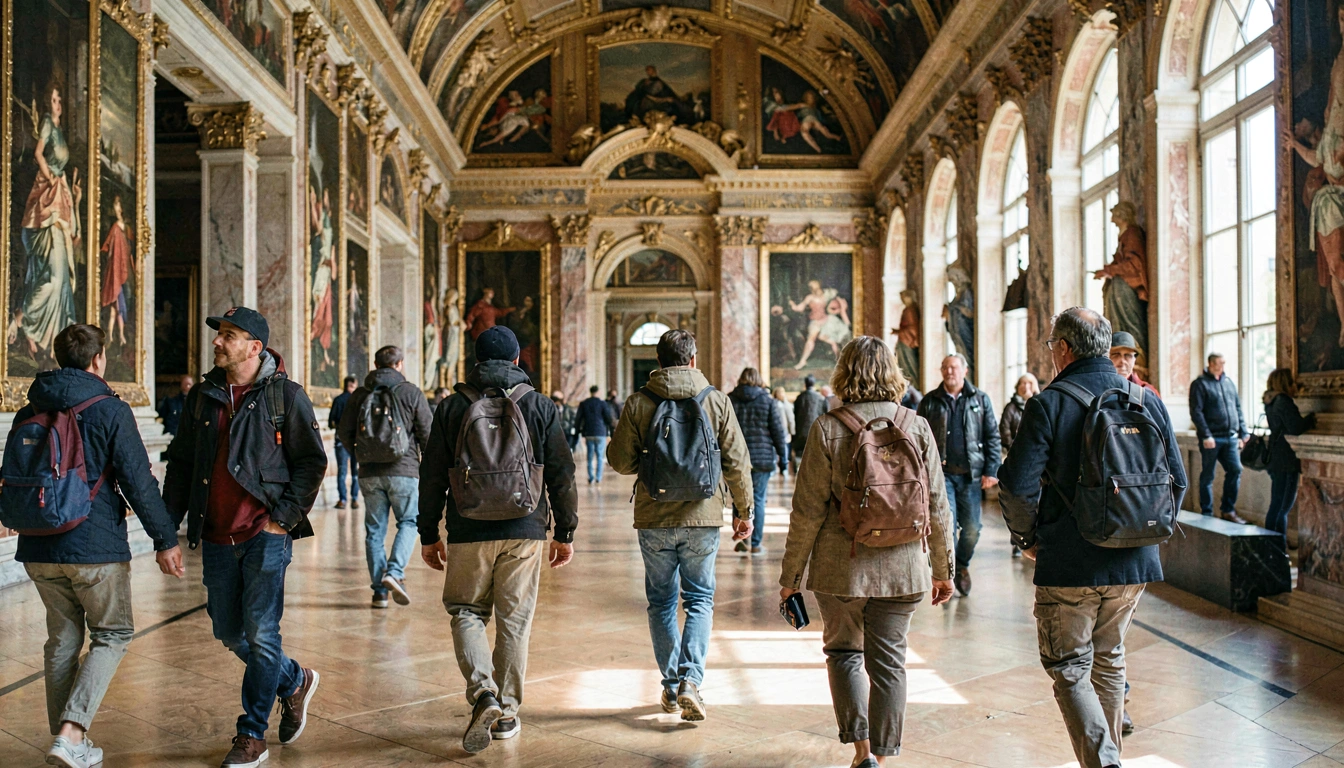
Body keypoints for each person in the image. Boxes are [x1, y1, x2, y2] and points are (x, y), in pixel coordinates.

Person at [999, 307, 1186, 768]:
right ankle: (1109, 758)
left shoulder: (1049, 403)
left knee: (1068, 666)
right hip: (1134, 562)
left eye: (1050, 346)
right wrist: (1141, 530)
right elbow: (1177, 482)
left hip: (1070, 559)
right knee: (1110, 658)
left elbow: (1016, 485)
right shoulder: (1145, 400)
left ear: (1063, 348)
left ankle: (1105, 764)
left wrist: (1027, 539)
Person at [162, 306, 328, 768]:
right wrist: (165, 534)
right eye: (219, 334)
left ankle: (251, 733)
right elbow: (180, 465)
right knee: (228, 630)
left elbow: (312, 463)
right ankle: (294, 679)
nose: (217, 342)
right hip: (216, 536)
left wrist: (283, 519)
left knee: (260, 632)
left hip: (265, 534)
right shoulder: (202, 397)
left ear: (254, 347)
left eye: (229, 335)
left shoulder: (285, 397)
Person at [779, 336, 954, 768]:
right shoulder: (916, 425)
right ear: (893, 372)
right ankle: (884, 752)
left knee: (843, 654)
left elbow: (806, 513)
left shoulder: (827, 428)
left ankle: (861, 754)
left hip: (842, 569)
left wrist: (790, 579)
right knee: (890, 662)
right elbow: (937, 506)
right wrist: (943, 568)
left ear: (844, 372)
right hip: (905, 567)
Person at [15, 324, 185, 768]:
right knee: (113, 633)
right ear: (98, 360)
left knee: (63, 638)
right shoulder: (110, 408)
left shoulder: (29, 406)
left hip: (37, 547)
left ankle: (66, 740)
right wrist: (165, 539)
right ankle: (72, 734)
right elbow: (139, 481)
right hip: (96, 546)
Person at [418, 325, 578, 753]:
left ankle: (482, 693)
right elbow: (562, 473)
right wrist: (565, 531)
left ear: (475, 361)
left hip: (468, 528)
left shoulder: (452, 407)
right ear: (516, 361)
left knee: (466, 611)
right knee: (514, 620)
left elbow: (431, 474)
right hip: (525, 529)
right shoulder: (540, 406)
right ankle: (506, 713)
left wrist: (428, 531)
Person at [607, 329, 754, 722]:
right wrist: (744, 511)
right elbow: (738, 461)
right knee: (700, 599)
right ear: (692, 360)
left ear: (658, 362)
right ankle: (691, 679)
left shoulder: (640, 402)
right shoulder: (715, 401)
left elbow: (620, 463)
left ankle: (672, 685)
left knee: (661, 602)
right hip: (703, 516)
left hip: (654, 517)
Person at [338, 346, 433, 609]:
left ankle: (380, 592)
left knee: (374, 531)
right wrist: (427, 467)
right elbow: (428, 435)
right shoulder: (411, 392)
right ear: (400, 364)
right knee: (409, 522)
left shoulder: (359, 394)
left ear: (376, 364)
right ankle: (394, 572)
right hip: (404, 470)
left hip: (369, 473)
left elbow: (344, 432)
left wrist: (361, 454)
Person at [916, 354, 1001, 596]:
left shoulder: (980, 399)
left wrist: (991, 470)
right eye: (945, 367)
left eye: (953, 367)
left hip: (970, 476)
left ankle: (962, 564)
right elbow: (918, 438)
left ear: (964, 371)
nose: (949, 371)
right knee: (946, 528)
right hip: (941, 476)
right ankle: (949, 573)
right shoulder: (930, 401)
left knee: (972, 529)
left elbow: (991, 436)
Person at [729, 368, 789, 555]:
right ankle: (755, 543)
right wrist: (783, 459)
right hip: (762, 458)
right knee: (759, 500)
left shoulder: (730, 400)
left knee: (739, 500)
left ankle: (742, 539)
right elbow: (778, 433)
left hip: (736, 459)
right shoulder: (768, 401)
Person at [1190, 353, 1250, 524]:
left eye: (1223, 363)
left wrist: (1243, 432)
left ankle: (1228, 510)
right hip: (1211, 438)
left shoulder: (1229, 383)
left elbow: (1237, 408)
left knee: (1236, 469)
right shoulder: (1200, 384)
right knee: (1208, 475)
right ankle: (1206, 513)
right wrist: (1206, 434)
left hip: (1230, 437)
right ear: (1210, 364)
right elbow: (1196, 412)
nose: (1221, 366)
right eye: (1218, 363)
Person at [1093, 202, 1150, 365]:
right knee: (1120, 325)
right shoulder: (1125, 235)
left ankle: (1138, 363)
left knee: (1130, 324)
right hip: (1120, 289)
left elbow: (1134, 265)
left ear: (1122, 215)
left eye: (1114, 215)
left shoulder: (1132, 234)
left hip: (1126, 290)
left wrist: (1111, 270)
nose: (1112, 220)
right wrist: (1109, 270)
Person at [1263, 368, 1316, 540]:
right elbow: (1295, 427)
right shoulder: (1283, 401)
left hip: (1276, 457)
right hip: (1285, 459)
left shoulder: (1270, 401)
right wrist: (1312, 419)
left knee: (1277, 505)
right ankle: (1277, 551)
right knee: (1282, 508)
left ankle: (1272, 549)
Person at [999, 372, 1039, 558]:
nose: (1025, 387)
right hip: (1017, 456)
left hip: (1038, 460)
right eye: (1022, 383)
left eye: (1029, 383)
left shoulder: (1040, 405)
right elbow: (1004, 429)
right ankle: (1019, 538)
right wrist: (1014, 449)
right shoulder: (1012, 407)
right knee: (1017, 495)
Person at [329, 375, 360, 510]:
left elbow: (331, 422)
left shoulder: (338, 400)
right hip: (356, 441)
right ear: (354, 385)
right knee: (355, 472)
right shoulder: (359, 401)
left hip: (341, 440)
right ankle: (355, 499)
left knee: (341, 471)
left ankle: (342, 499)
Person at [576, 385, 615, 483]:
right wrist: (610, 429)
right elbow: (608, 418)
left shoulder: (584, 403)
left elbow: (579, 418)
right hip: (600, 432)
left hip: (589, 432)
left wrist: (578, 431)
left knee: (589, 456)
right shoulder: (602, 403)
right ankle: (598, 477)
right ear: (598, 392)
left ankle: (591, 477)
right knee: (599, 456)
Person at [792, 374, 830, 472]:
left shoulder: (799, 398)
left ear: (805, 384)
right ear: (814, 384)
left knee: (801, 454)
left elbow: (795, 415)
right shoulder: (821, 399)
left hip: (801, 431)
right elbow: (826, 416)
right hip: (816, 431)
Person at [1108, 332, 1159, 397]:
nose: (1122, 361)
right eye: (1115, 355)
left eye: (1128, 355)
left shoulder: (1148, 393)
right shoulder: (1097, 389)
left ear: (1134, 360)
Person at [772, 386, 796, 474]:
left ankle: (778, 465)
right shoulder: (786, 405)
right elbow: (790, 419)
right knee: (784, 448)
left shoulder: (773, 403)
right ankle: (784, 465)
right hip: (783, 429)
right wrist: (792, 431)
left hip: (778, 430)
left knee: (777, 448)